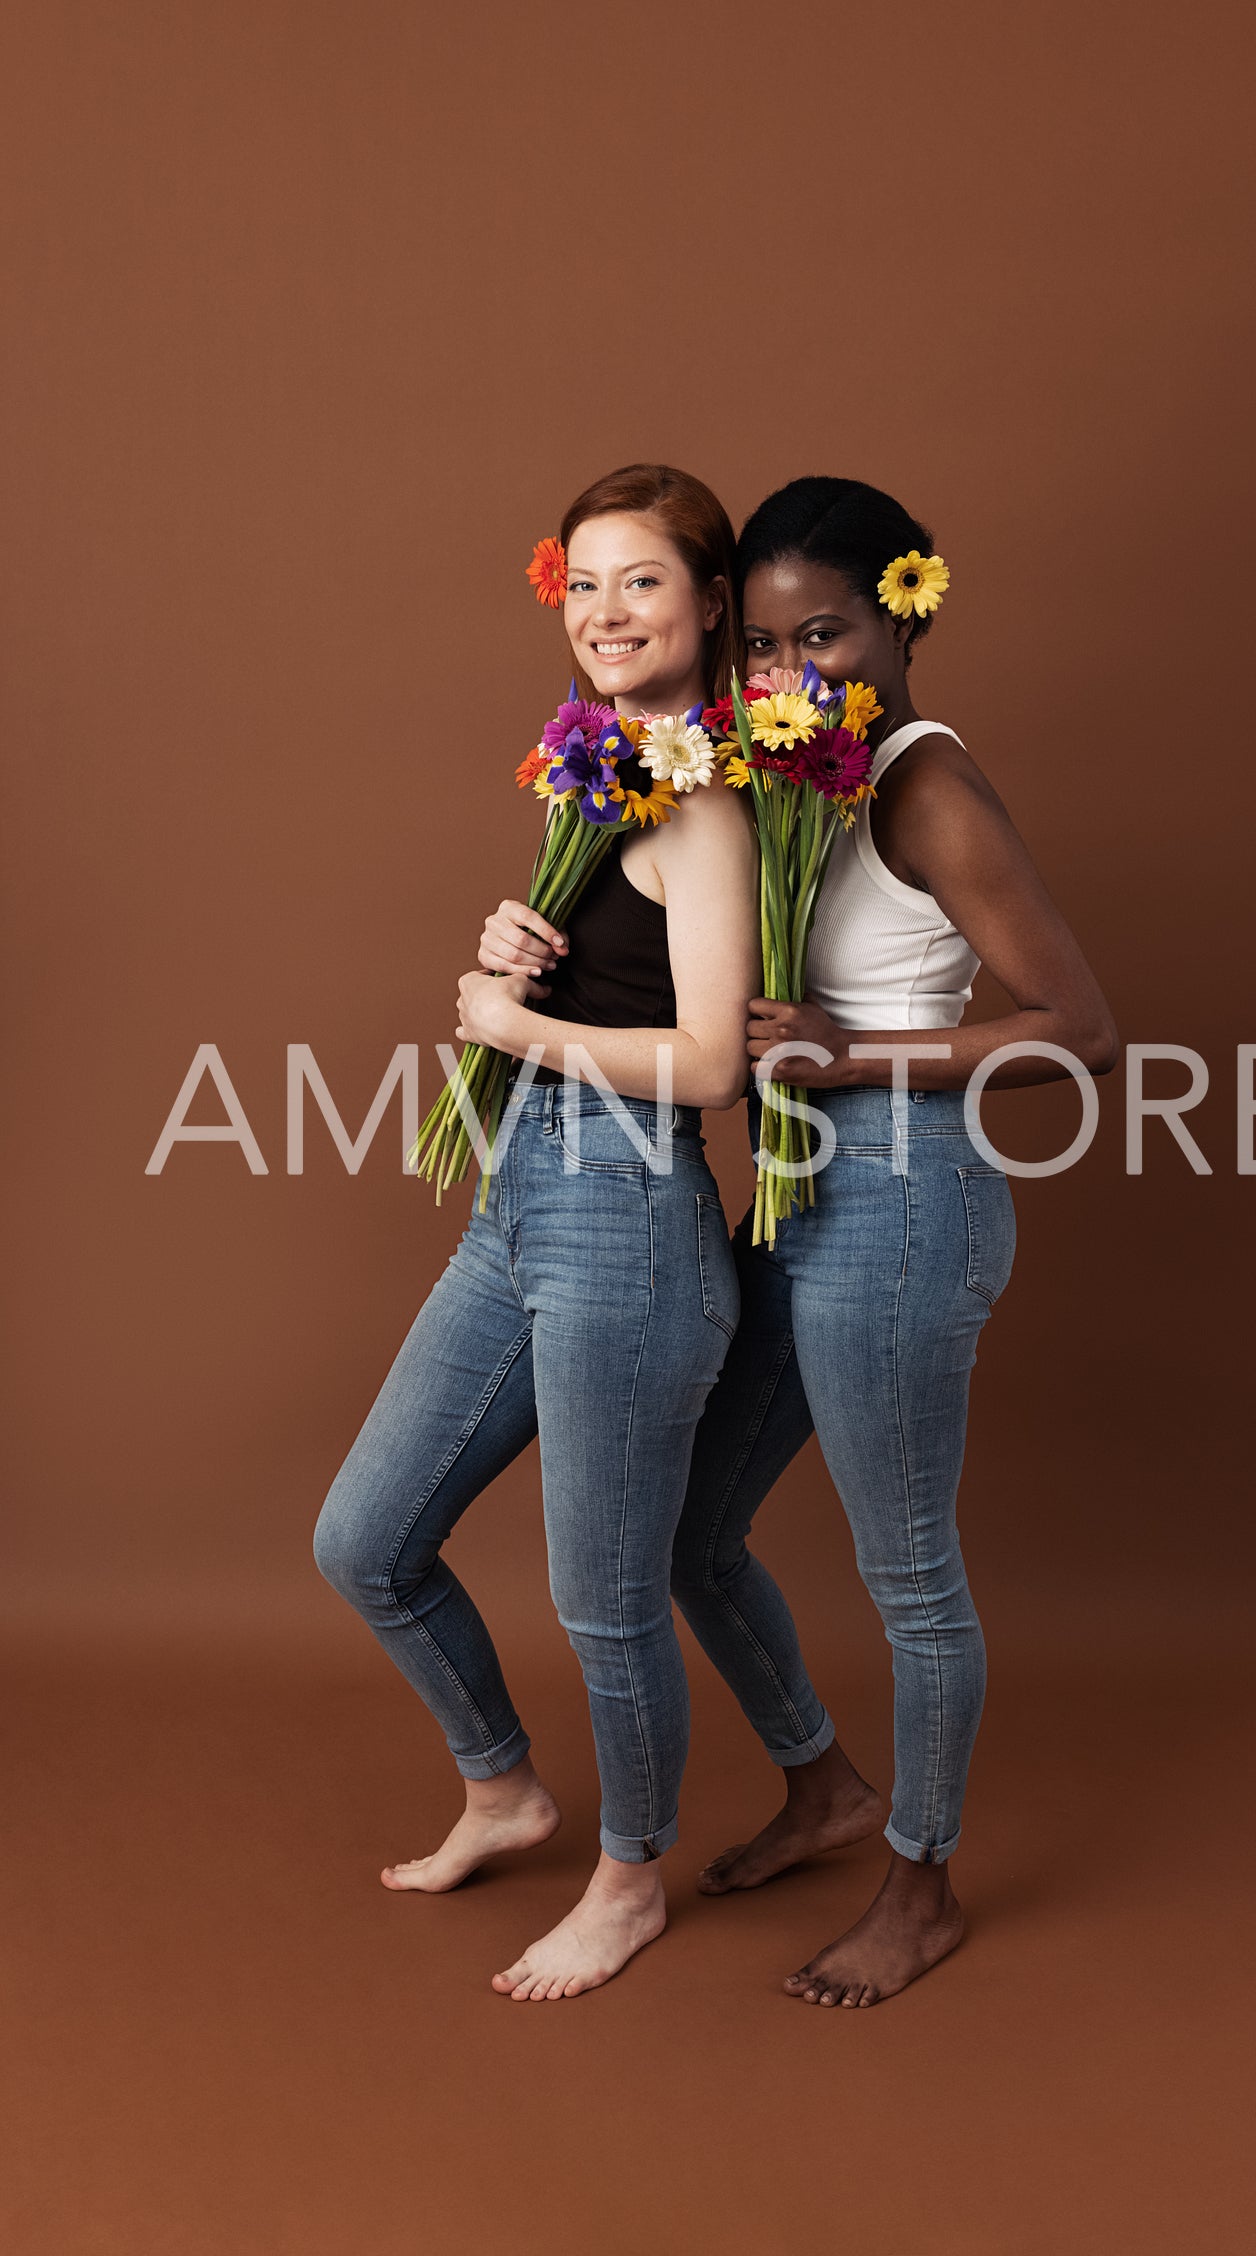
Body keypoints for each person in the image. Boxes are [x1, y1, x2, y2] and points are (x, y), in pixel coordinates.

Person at [671, 476, 1120, 2006]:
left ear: (903, 614)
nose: (797, 674)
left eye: (830, 634)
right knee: (688, 1528)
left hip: (907, 1198)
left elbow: (1081, 1032)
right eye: (766, 648)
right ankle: (824, 1787)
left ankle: (917, 1885)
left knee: (910, 1578)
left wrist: (844, 1056)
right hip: (799, 1191)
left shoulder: (922, 781)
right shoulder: (795, 773)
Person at [314, 463, 758, 2001]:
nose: (601, 611)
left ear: (710, 602)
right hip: (525, 1200)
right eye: (580, 583)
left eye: (639, 581)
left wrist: (516, 1020)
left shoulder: (700, 802)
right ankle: (505, 1789)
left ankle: (628, 1876)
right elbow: (621, 985)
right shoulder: (607, 769)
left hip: (629, 1221)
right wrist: (524, 956)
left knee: (606, 1598)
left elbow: (707, 1064)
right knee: (363, 1541)